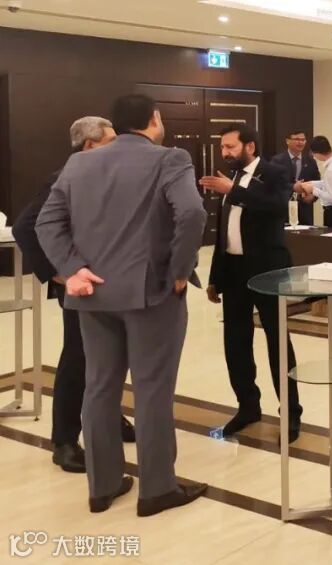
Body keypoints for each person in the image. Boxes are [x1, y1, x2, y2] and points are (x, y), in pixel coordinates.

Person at [35, 94, 208, 516]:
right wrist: (180, 270)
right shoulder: (170, 159)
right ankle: (157, 489)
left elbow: (46, 221)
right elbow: (192, 213)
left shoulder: (79, 164)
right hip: (151, 294)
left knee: (99, 388)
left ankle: (103, 486)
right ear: (154, 119)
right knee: (152, 389)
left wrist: (73, 269)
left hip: (92, 295)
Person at [12, 116, 135, 474]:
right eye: (111, 141)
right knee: (78, 359)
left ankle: (108, 418)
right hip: (81, 286)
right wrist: (60, 273)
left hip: (108, 282)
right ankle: (64, 441)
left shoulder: (105, 175)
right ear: (90, 145)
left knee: (111, 356)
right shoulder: (63, 178)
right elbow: (25, 227)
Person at [198, 124, 303, 443]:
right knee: (236, 341)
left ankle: (291, 411)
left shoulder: (275, 172)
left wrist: (233, 190)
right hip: (233, 270)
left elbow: (276, 206)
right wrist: (215, 276)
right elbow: (225, 232)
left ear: (250, 147)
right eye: (223, 147)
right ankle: (247, 406)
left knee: (277, 340)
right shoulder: (231, 179)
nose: (225, 152)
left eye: (231, 146)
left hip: (267, 270)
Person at [296, 135, 332, 228]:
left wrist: (313, 190)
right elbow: (329, 183)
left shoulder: (331, 170)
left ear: (317, 153)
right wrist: (310, 183)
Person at [269, 129, 321, 226]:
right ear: (287, 141)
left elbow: (318, 183)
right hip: (283, 211)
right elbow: (272, 183)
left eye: (303, 140)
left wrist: (313, 196)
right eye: (297, 139)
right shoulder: (277, 161)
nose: (300, 142)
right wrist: (293, 187)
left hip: (304, 214)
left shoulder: (311, 162)